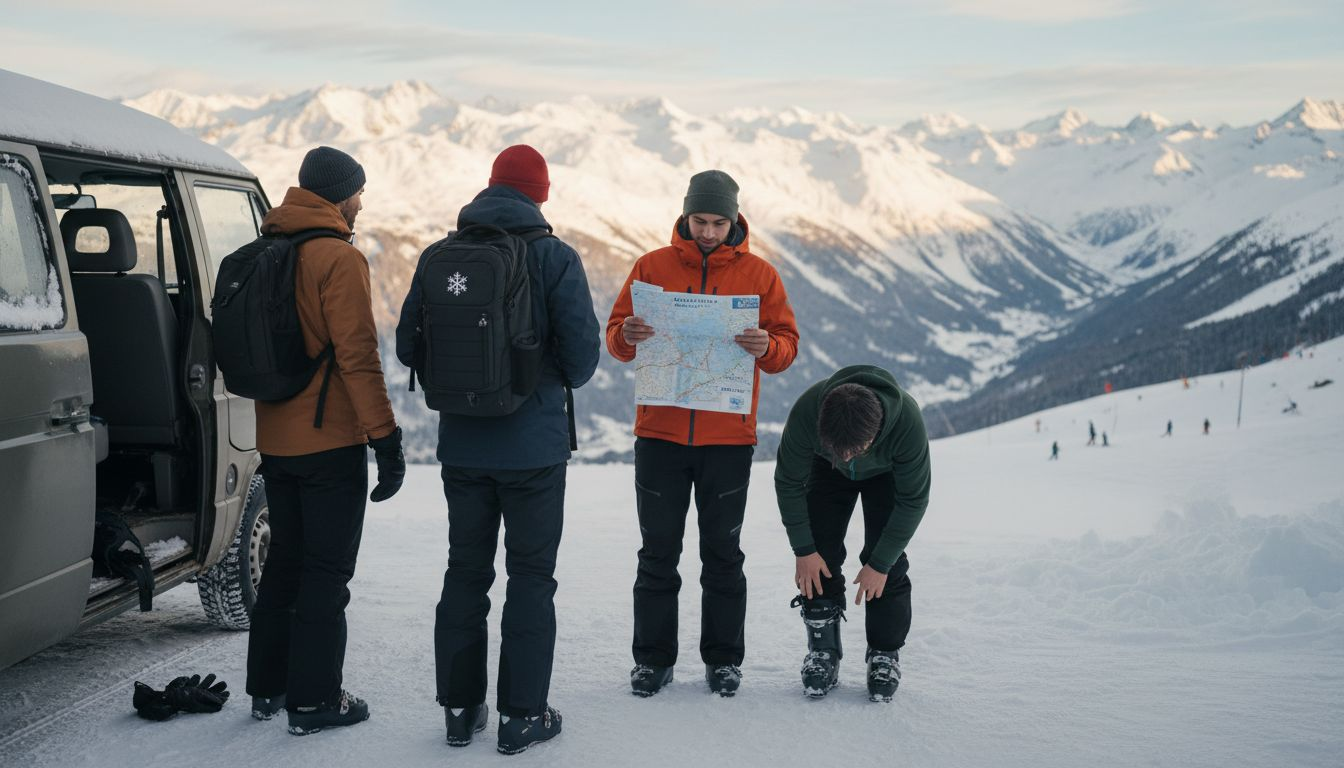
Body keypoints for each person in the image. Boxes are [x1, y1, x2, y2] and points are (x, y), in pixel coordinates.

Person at [395, 145, 600, 754]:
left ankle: (460, 711)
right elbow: (583, 361)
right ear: (541, 193)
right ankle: (521, 718)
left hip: (461, 447)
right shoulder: (555, 257)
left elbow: (408, 347)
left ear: (489, 188)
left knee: (466, 572)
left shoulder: (440, 255)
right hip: (534, 451)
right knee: (531, 579)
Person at [605, 170, 799, 698]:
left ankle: (723, 661)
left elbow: (787, 345)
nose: (709, 232)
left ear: (735, 219)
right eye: (700, 221)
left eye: (718, 222)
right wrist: (627, 334)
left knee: (723, 554)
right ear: (685, 216)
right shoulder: (651, 266)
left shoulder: (760, 275)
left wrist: (768, 349)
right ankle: (652, 660)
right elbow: (616, 339)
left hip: (728, 440)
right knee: (657, 552)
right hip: (660, 436)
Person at [245, 146, 405, 736]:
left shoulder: (268, 249)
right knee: (326, 572)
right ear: (342, 195)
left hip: (275, 440)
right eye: (358, 192)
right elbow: (358, 357)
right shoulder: (337, 258)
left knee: (285, 562)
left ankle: (269, 687)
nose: (361, 202)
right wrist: (384, 439)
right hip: (330, 442)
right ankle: (314, 702)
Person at [774, 366, 931, 702]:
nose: (847, 457)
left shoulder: (906, 424)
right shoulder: (808, 411)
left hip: (886, 474)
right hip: (826, 470)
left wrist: (880, 564)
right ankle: (823, 650)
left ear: (875, 434)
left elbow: (914, 499)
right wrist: (803, 549)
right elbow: (788, 481)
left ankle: (884, 654)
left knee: (886, 560)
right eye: (839, 449)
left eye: (854, 449)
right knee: (819, 551)